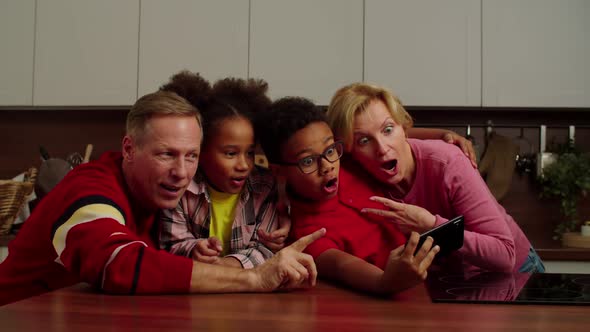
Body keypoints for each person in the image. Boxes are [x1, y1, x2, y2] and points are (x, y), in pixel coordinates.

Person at [0, 90, 324, 306]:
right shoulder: (90, 188)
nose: (182, 173)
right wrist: (253, 278)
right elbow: (118, 263)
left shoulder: (160, 192)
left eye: (191, 156)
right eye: (166, 154)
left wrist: (285, 200)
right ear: (129, 149)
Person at [326, 82, 544, 274]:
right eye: (364, 141)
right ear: (350, 150)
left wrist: (429, 224)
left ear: (403, 127)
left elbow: (505, 254)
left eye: (388, 130)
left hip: (519, 272)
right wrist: (288, 212)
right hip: (461, 281)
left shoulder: (448, 163)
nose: (382, 149)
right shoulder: (357, 171)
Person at [255, 96, 440, 296]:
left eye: (330, 149)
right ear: (279, 171)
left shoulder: (351, 162)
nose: (327, 166)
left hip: (441, 272)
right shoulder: (308, 234)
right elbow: (342, 266)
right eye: (308, 161)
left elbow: (387, 132)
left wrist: (444, 134)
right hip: (405, 294)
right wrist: (387, 281)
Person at [158, 71, 289, 268]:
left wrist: (227, 265)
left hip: (246, 290)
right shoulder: (180, 186)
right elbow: (170, 243)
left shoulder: (264, 185)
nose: (244, 165)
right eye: (230, 153)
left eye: (250, 153)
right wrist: (194, 250)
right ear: (200, 151)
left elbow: (265, 248)